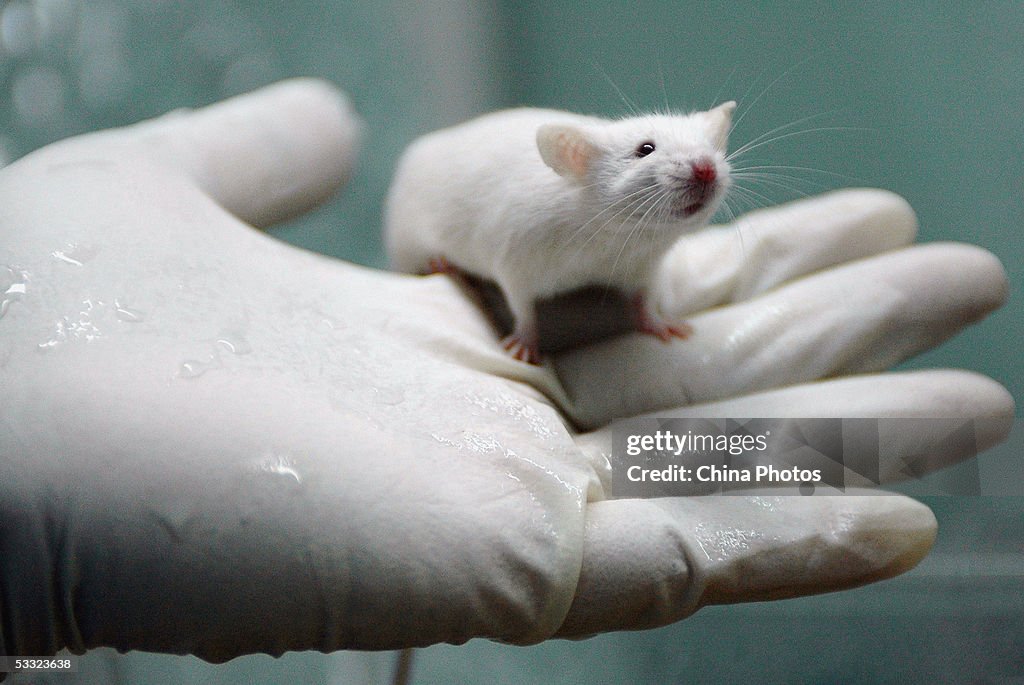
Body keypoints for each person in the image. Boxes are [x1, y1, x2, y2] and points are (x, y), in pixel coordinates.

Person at [0, 79, 1012, 662]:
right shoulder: (547, 201)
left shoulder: (642, 219)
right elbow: (521, 263)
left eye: (702, 151)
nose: (695, 167)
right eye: (655, 149)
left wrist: (644, 308)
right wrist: (520, 327)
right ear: (578, 161)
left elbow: (646, 262)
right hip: (446, 235)